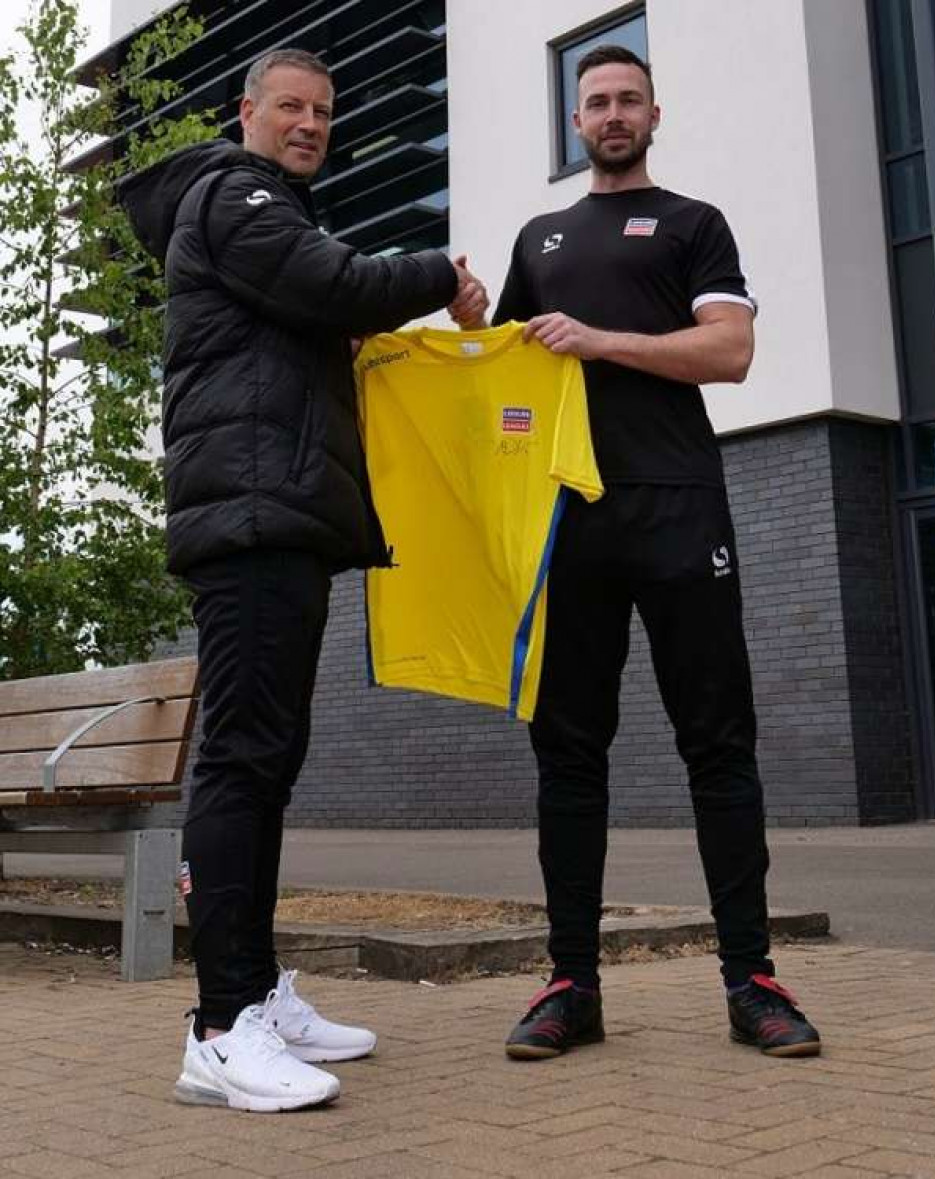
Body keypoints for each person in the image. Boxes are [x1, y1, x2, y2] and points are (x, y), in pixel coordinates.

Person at [119, 47, 487, 1112]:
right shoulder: (235, 198)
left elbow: (319, 308)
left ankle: (258, 1000)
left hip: (276, 512)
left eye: (325, 111)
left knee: (269, 759)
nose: (311, 123)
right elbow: (334, 285)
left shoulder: (263, 210)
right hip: (249, 515)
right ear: (247, 112)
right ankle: (221, 1027)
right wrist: (439, 275)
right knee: (242, 760)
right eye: (291, 106)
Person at [457, 44, 821, 1061]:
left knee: (718, 744)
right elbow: (515, 384)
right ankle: (571, 984)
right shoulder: (543, 233)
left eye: (626, 100)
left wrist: (606, 341)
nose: (611, 114)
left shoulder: (695, 225)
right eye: (594, 103)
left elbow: (730, 352)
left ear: (653, 113)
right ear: (575, 124)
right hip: (571, 518)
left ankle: (752, 984)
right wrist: (479, 327)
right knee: (566, 751)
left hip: (678, 509)